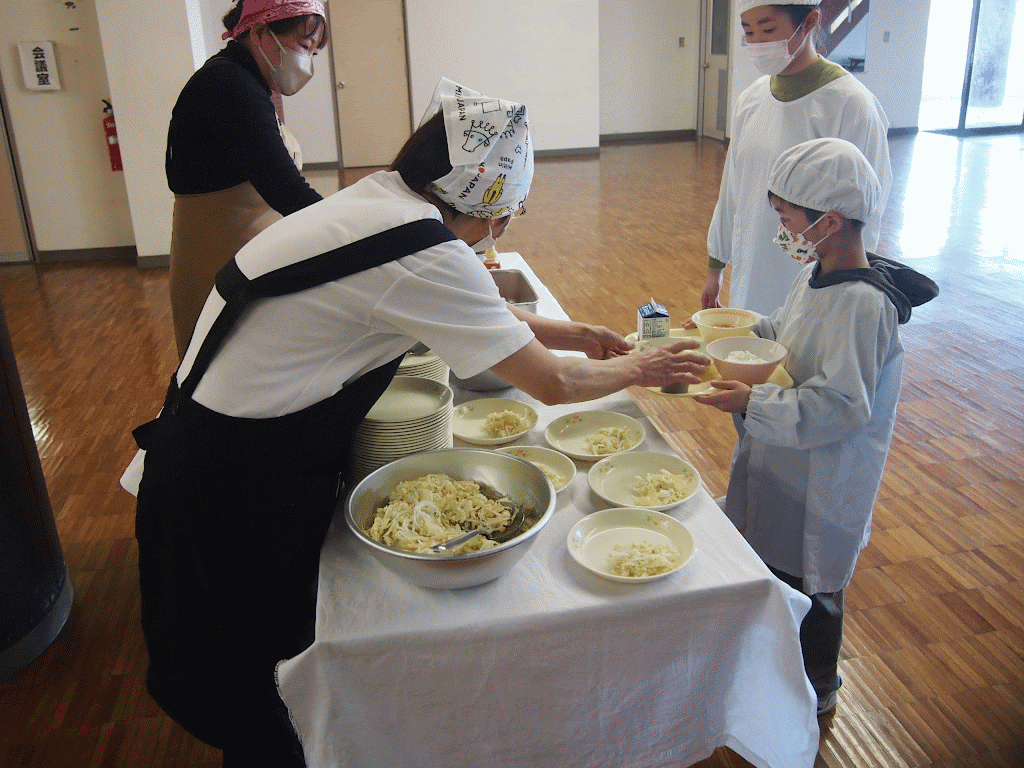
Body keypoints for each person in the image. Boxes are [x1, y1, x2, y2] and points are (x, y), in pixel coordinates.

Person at [122, 78, 708, 766]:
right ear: (490, 204)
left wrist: (574, 331)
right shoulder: (423, 251)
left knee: (261, 667)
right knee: (263, 682)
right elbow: (555, 384)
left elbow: (466, 303)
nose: (503, 230)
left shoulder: (383, 201)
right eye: (509, 213)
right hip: (235, 482)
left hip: (210, 446)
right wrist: (644, 367)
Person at [695, 137, 937, 715]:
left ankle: (816, 689)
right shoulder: (817, 272)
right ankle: (773, 667)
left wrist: (753, 403)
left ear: (829, 221)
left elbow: (841, 406)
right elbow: (782, 330)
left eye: (787, 219)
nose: (782, 230)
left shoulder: (862, 305)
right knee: (775, 564)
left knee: (813, 583)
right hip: (788, 457)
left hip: (825, 473)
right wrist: (720, 336)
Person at [703, 1, 893, 316]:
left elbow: (866, 214)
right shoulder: (751, 99)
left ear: (809, 22)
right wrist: (716, 266)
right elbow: (733, 189)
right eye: (748, 32)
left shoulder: (851, 105)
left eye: (767, 29)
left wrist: (848, 291)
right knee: (753, 339)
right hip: (752, 271)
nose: (757, 43)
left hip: (818, 285)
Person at [166, 0, 327, 357]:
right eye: (303, 46)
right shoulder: (228, 83)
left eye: (314, 53)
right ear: (259, 32)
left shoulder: (247, 81)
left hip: (246, 254)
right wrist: (356, 226)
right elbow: (285, 190)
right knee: (225, 365)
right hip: (218, 259)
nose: (306, 62)